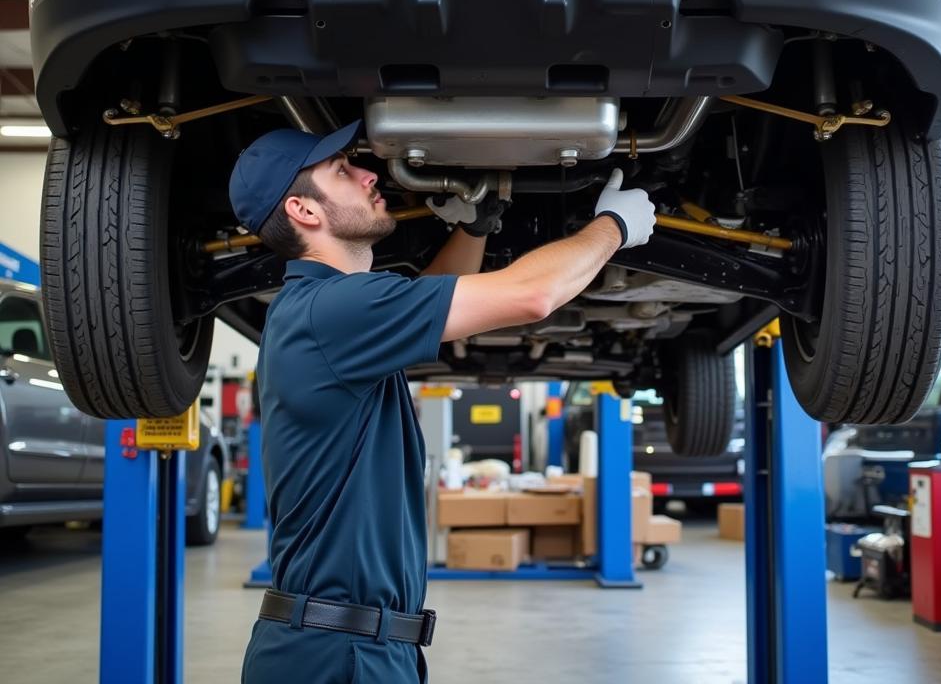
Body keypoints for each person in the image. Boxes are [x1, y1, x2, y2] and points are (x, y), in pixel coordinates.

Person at [229, 121, 656, 684]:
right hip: (339, 655)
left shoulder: (322, 311)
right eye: (341, 171)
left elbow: (428, 297)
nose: (369, 173)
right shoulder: (331, 311)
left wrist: (477, 226)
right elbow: (533, 295)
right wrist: (614, 226)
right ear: (304, 212)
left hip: (347, 645)